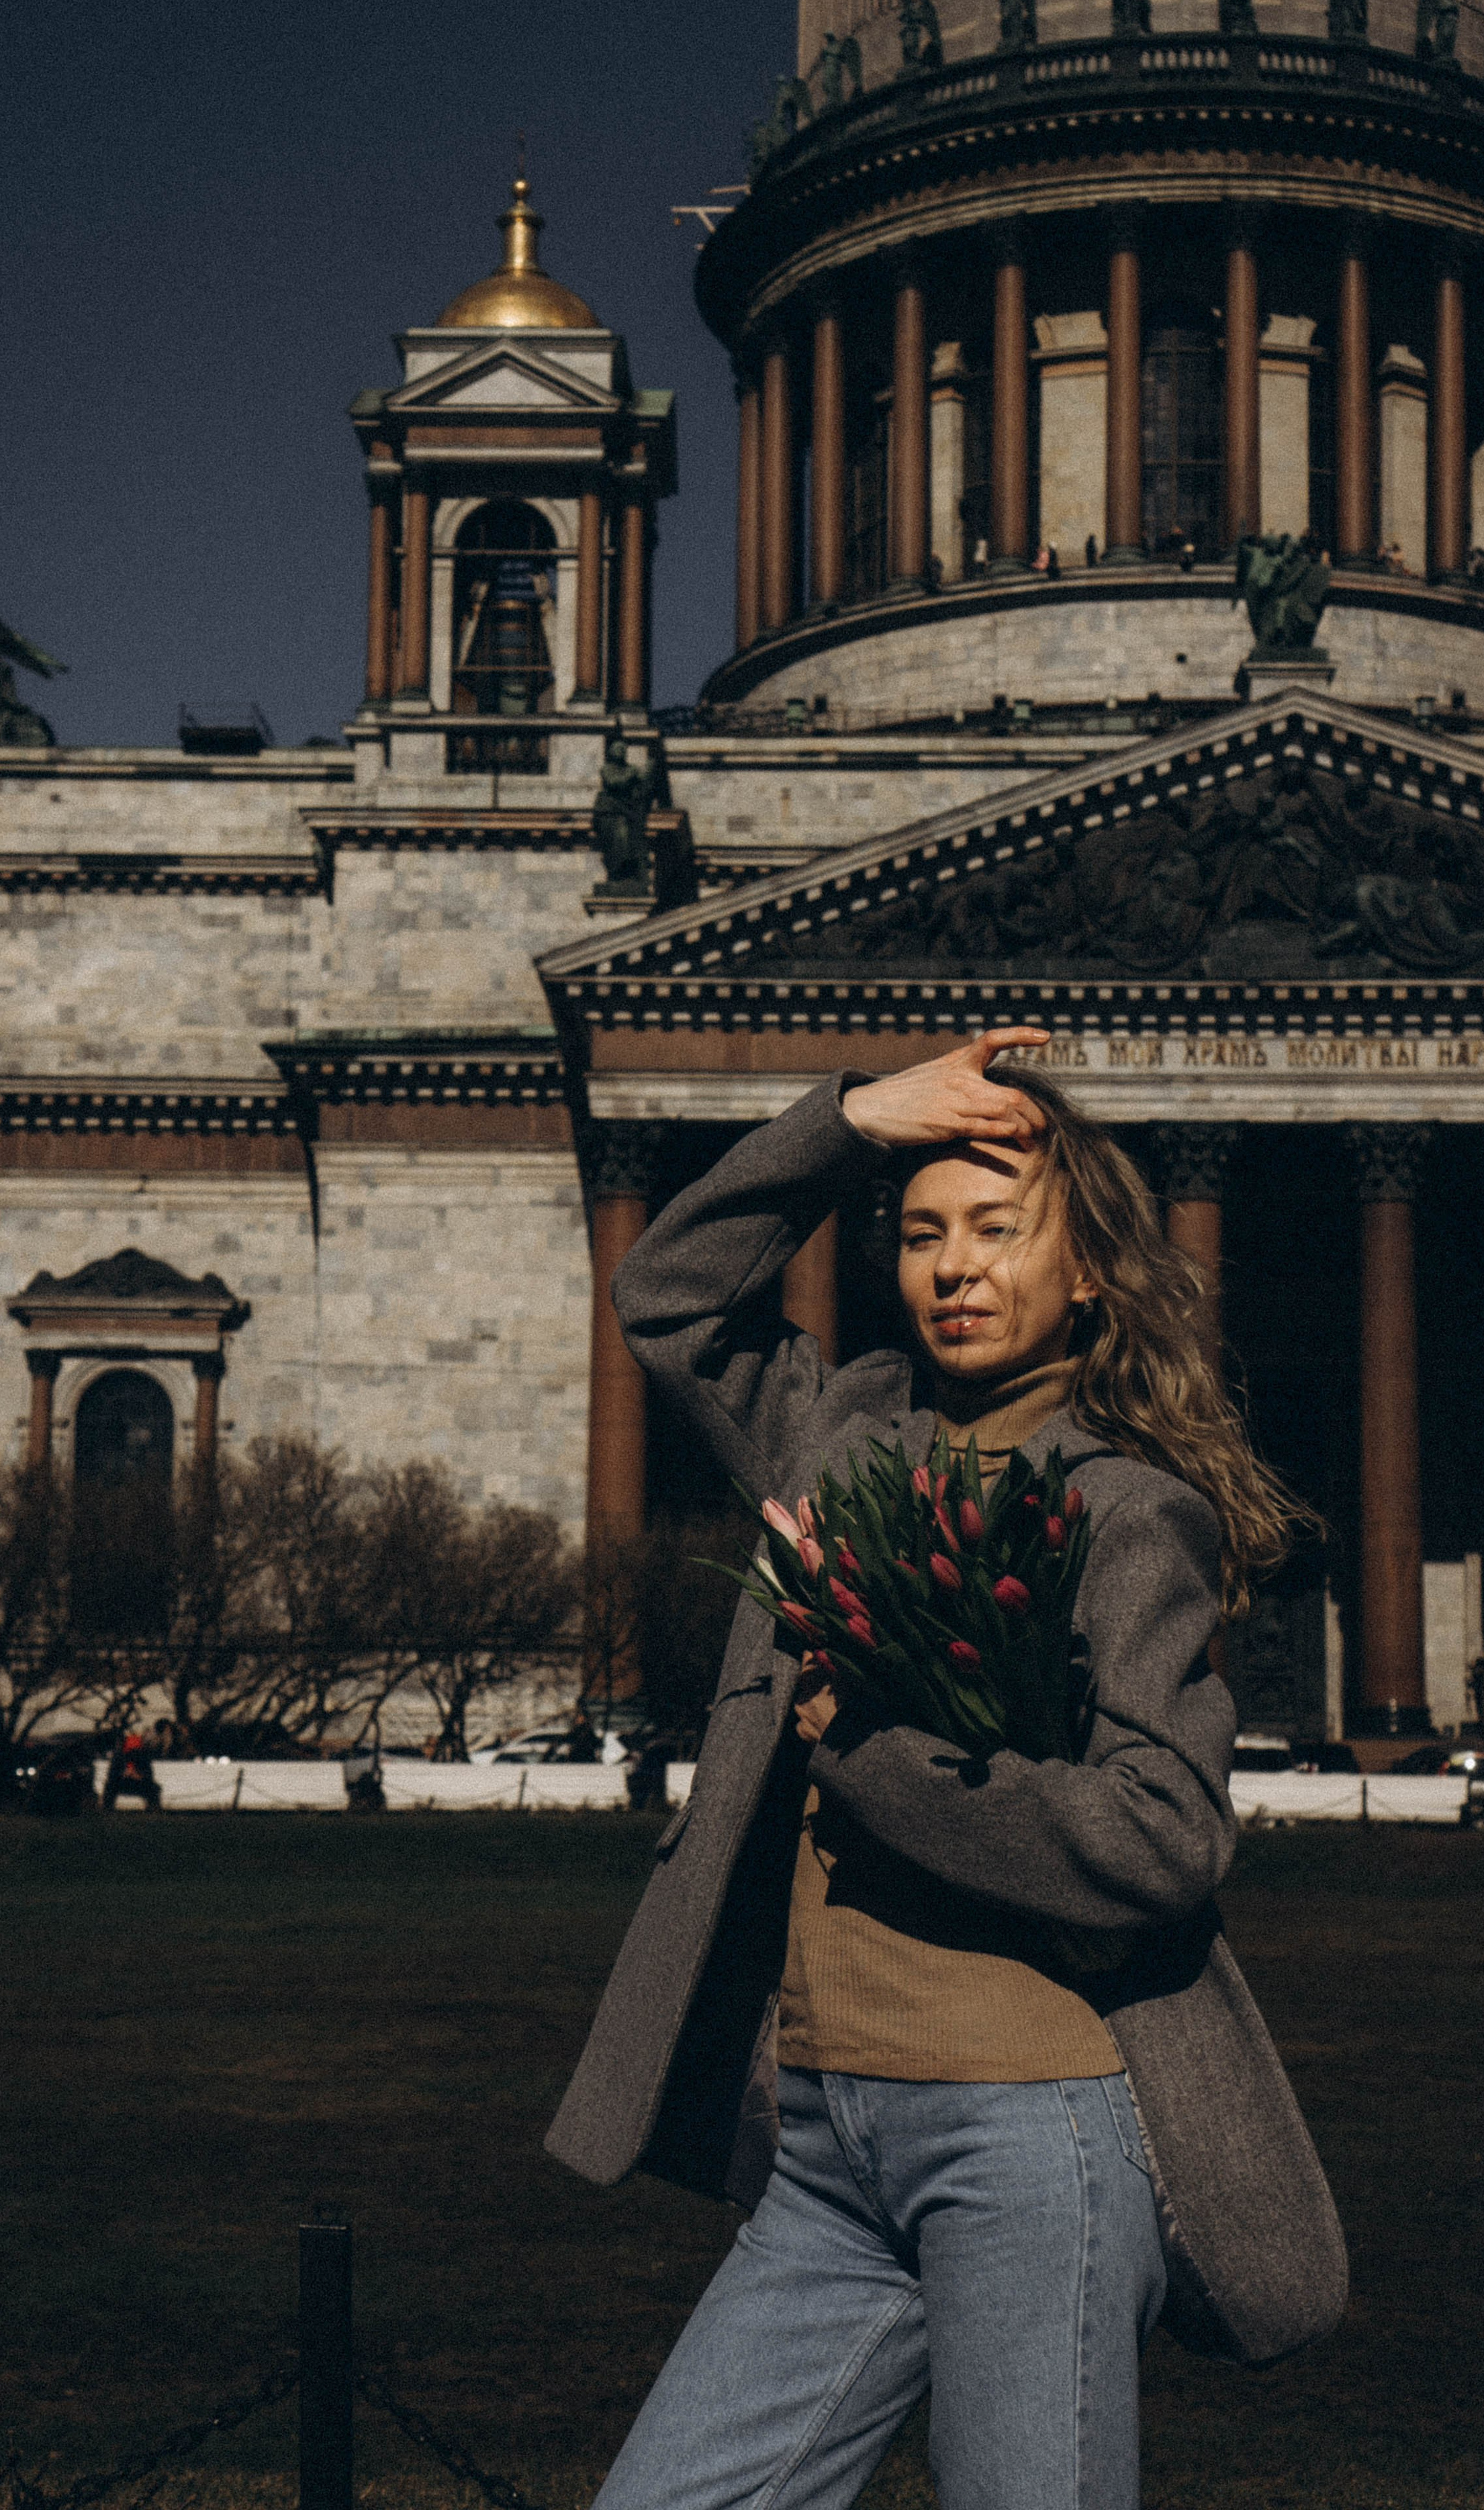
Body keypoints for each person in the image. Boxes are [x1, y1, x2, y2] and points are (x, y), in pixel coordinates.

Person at [549, 1033, 1346, 2510]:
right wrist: (856, 1120)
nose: (952, 1267)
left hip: (1028, 2139)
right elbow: (664, 1292)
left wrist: (868, 1753)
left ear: (1089, 1269)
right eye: (920, 1234)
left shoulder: (1128, 1511)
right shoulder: (839, 1437)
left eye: (995, 1229)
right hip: (824, 2147)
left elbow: (1162, 1836)